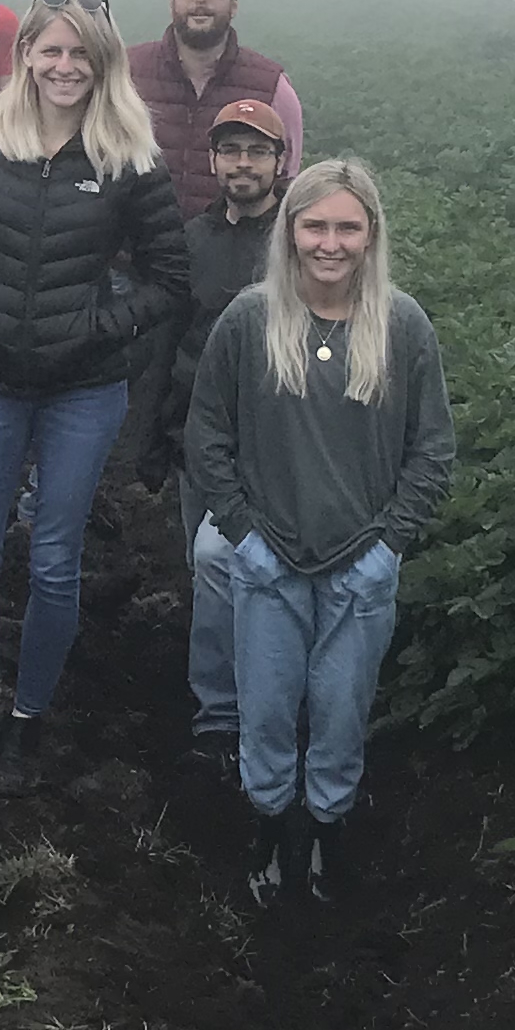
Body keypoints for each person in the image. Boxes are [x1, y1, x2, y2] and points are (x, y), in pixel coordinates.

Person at [0, 0, 190, 792]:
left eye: (81, 55)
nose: (65, 68)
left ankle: (27, 728)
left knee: (52, 566)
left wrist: (100, 326)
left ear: (103, 63)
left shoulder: (128, 156)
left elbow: (169, 278)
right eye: (50, 52)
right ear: (25, 57)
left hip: (82, 391)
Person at [188, 158, 456, 908]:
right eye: (315, 225)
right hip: (268, 561)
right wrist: (243, 534)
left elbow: (432, 449)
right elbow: (207, 435)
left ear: (371, 235)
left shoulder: (402, 326)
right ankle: (271, 828)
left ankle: (329, 831)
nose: (330, 243)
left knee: (341, 708)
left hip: (359, 568)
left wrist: (388, 545)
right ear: (290, 230)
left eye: (347, 227)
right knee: (267, 706)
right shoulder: (249, 320)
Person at [133, 99, 290, 770]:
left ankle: (273, 705)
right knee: (212, 576)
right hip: (200, 440)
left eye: (257, 151)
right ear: (213, 161)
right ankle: (217, 715)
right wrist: (148, 436)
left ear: (281, 163)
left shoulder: (298, 244)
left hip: (281, 446)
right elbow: (163, 343)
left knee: (272, 577)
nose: (243, 164)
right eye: (231, 151)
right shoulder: (192, 242)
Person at [126, 0, 306, 224]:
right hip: (133, 256)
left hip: (233, 255)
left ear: (234, 5)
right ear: (171, 2)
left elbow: (288, 178)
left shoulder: (272, 86)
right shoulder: (127, 72)